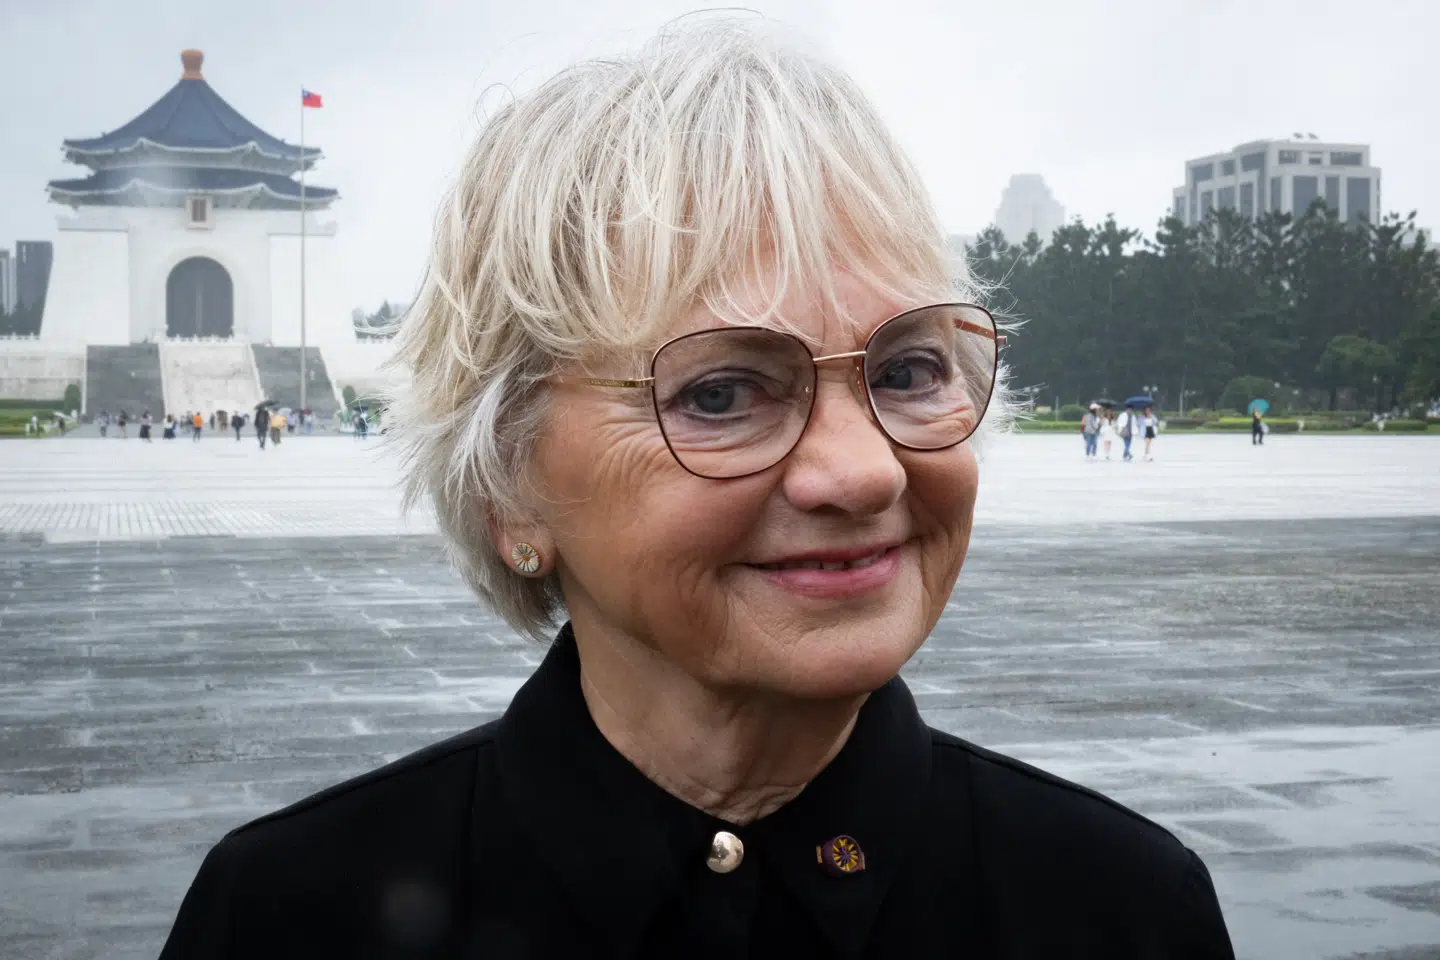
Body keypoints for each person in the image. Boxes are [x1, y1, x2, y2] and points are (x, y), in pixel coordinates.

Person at [159, 22, 1233, 959]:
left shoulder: (1121, 911)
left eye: (908, 371)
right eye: (721, 392)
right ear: (507, 485)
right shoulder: (290, 918)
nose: (864, 470)